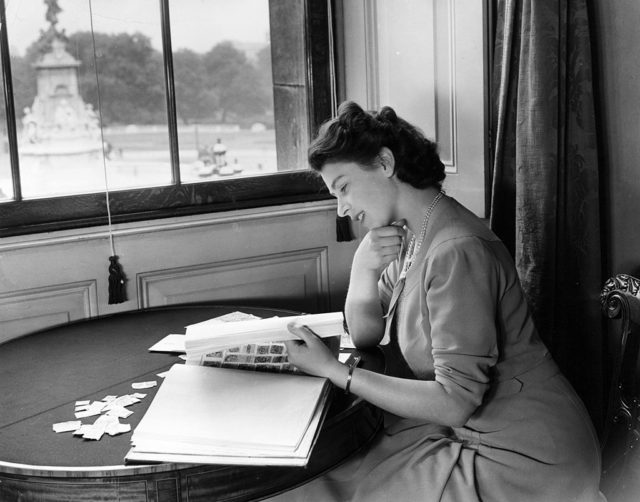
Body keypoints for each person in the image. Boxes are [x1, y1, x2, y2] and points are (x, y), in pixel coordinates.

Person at [273, 101, 602, 501]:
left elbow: (453, 403)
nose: (343, 209)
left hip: (529, 457)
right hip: (474, 432)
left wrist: (332, 370)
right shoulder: (414, 234)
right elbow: (365, 337)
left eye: (343, 188)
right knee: (325, 482)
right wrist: (363, 272)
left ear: (384, 163)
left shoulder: (456, 250)